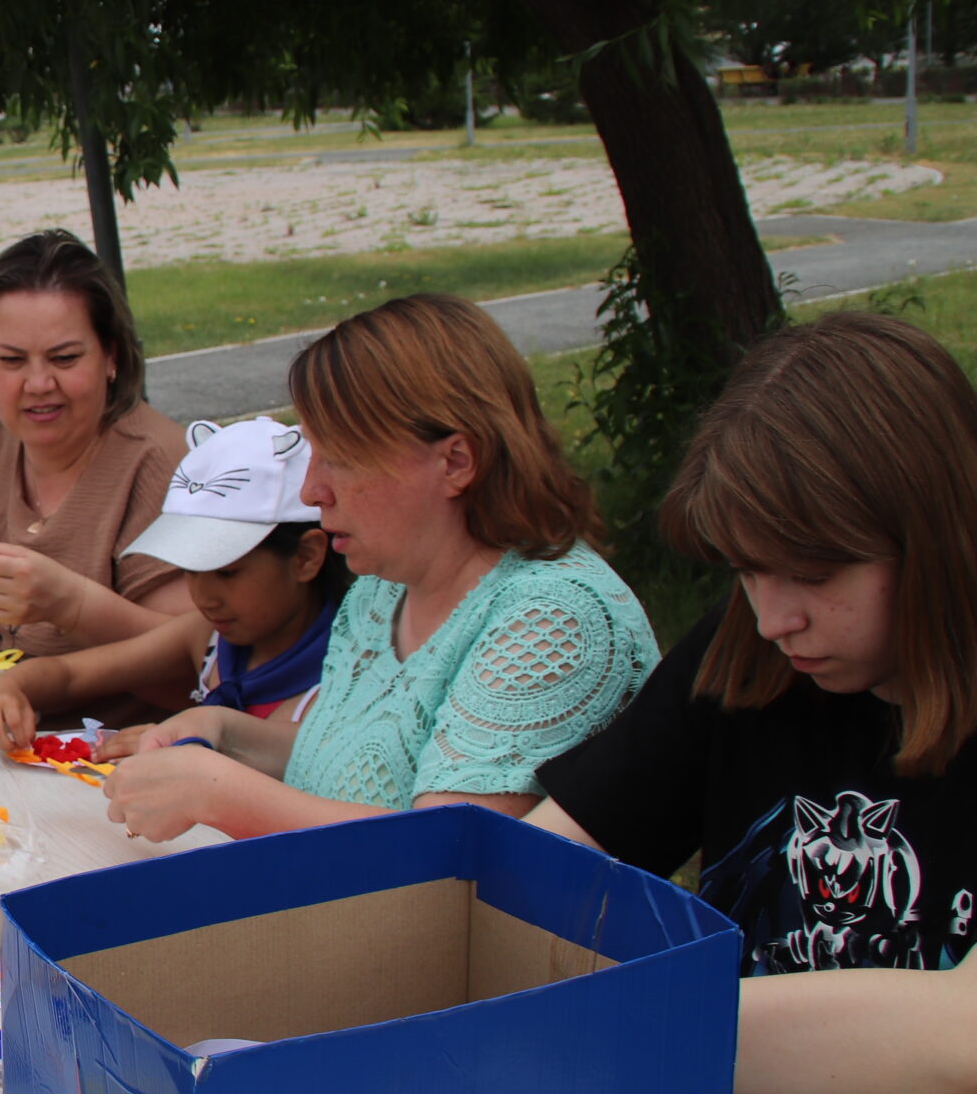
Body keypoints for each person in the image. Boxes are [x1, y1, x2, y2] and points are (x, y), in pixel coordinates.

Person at [527, 313, 977, 1094]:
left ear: (939, 537)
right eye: (744, 570)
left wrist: (605, 1025)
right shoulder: (748, 656)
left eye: (811, 576)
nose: (773, 616)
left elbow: (960, 1042)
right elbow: (543, 870)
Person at [98, 293, 657, 843]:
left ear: (455, 462)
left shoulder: (556, 618)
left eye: (339, 458)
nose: (314, 491)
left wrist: (216, 792)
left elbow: (443, 854)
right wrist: (221, 733)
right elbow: (358, 767)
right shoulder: (384, 589)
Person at [0, 229, 195, 659]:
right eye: (11, 360)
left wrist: (70, 606)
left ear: (112, 356)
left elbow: (193, 657)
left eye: (64, 358)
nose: (39, 384)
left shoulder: (167, 471)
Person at [0, 416, 346, 750]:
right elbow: (69, 675)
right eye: (190, 570)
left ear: (305, 557)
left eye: (227, 572)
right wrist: (7, 690)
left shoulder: (345, 677)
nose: (204, 597)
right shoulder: (208, 638)